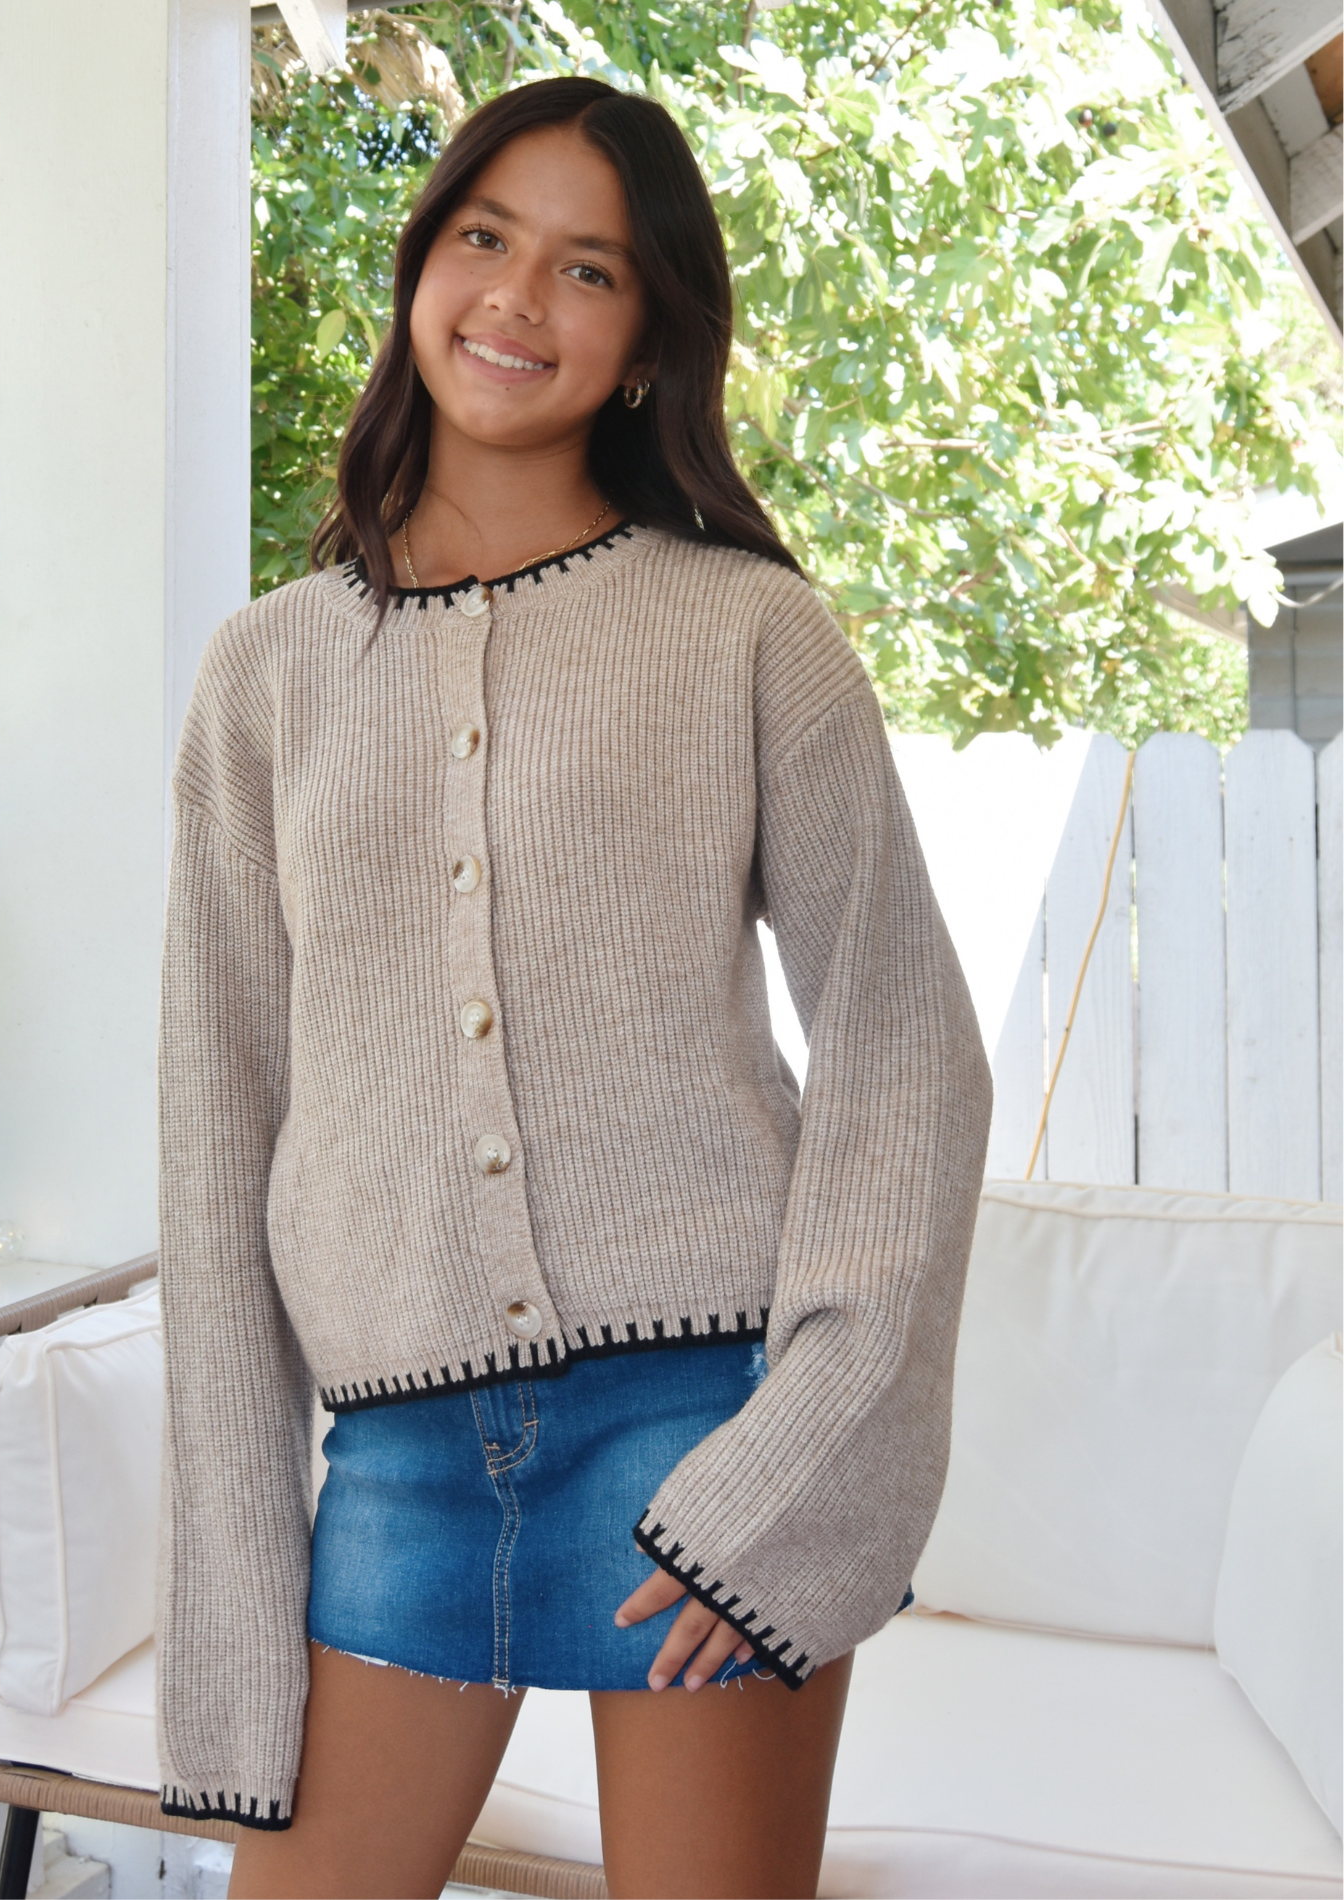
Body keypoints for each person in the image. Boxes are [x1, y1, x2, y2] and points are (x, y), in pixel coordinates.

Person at [156, 74, 992, 1900]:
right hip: (397, 1451)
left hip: (702, 1423)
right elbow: (218, 1139)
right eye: (485, 238)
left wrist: (798, 1457)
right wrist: (230, 1602)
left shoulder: (751, 631)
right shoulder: (264, 675)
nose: (518, 299)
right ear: (420, 265)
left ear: (648, 337)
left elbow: (906, 1051)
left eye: (589, 268)